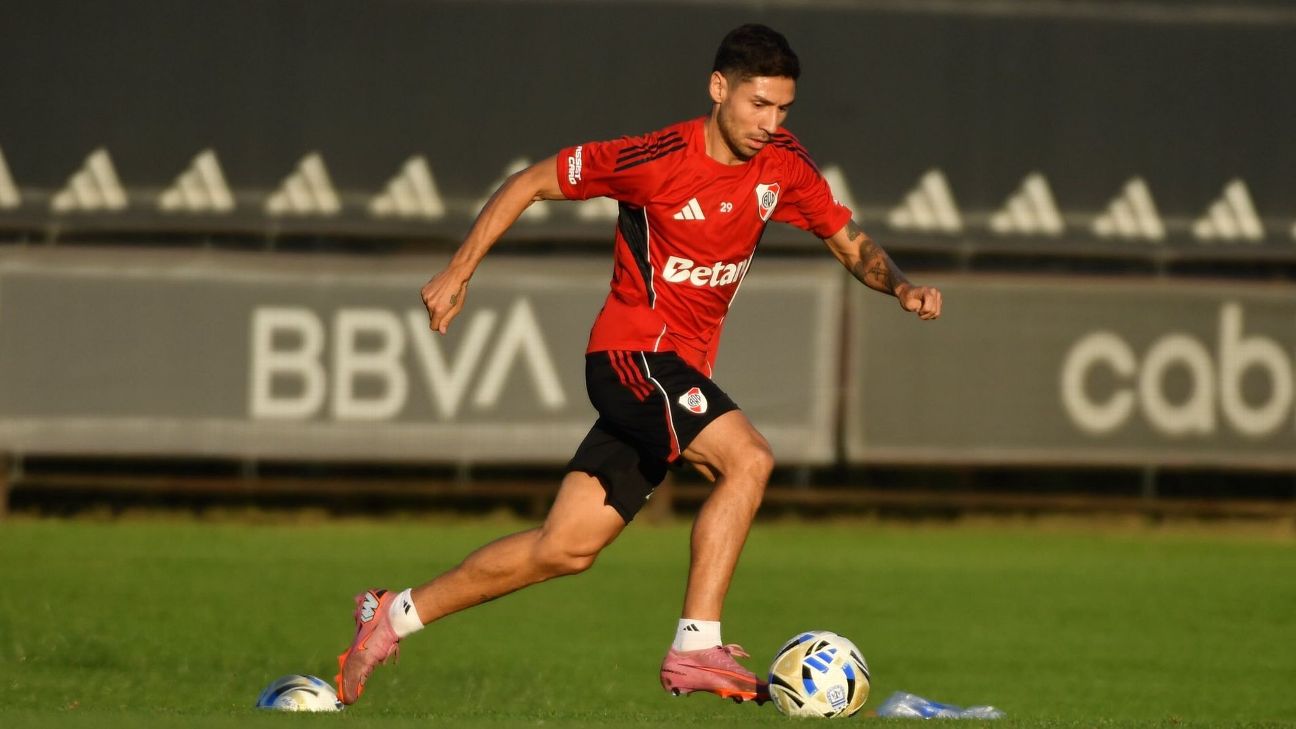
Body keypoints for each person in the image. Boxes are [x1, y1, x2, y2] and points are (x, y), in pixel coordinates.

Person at [335, 23, 942, 706]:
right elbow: (530, 181)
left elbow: (847, 239)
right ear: (718, 88)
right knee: (749, 460)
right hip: (632, 355)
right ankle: (695, 646)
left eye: (783, 108)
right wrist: (458, 271)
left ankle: (390, 616)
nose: (771, 124)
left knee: (564, 547)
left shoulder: (783, 163)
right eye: (758, 105)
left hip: (675, 372)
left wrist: (901, 286)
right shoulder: (656, 158)